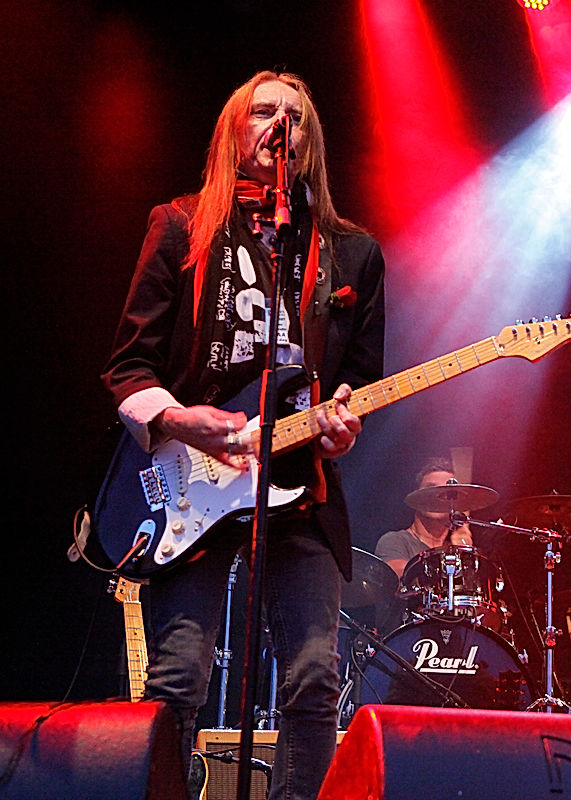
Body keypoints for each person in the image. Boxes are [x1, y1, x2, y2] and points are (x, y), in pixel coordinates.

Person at [101, 71, 385, 800]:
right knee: (178, 675)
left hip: (298, 488)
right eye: (263, 112)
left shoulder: (352, 255)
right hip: (192, 481)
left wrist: (341, 431)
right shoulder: (180, 225)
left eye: (295, 116)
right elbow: (129, 367)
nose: (279, 125)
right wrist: (178, 419)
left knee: (314, 676)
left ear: (312, 141)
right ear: (235, 130)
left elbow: (356, 382)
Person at [374, 457, 474, 581]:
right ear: (416, 496)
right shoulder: (395, 540)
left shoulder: (456, 548)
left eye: (446, 491)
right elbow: (402, 579)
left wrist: (463, 553)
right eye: (430, 488)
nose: (438, 496)